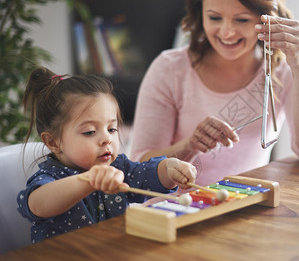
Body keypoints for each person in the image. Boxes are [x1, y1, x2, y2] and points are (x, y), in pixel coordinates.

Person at [130, 0, 299, 186]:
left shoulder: (281, 71)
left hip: (243, 208)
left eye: (242, 20)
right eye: (214, 18)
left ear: (267, 18)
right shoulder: (170, 69)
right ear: (200, 12)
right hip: (173, 211)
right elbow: (139, 166)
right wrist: (190, 145)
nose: (227, 32)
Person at [17, 67, 197, 243]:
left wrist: (169, 169)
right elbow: (37, 204)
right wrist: (88, 180)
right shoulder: (49, 178)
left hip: (111, 259)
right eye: (89, 132)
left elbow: (147, 175)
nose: (107, 139)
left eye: (111, 129)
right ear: (53, 142)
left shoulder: (118, 167)